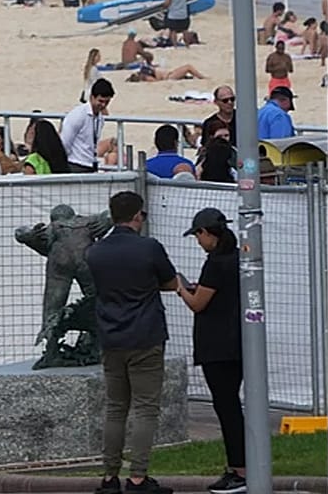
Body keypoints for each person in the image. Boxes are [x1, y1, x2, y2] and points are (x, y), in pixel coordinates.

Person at [85, 191, 178, 494]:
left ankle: (109, 476)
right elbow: (170, 280)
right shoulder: (148, 248)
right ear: (137, 215)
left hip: (111, 338)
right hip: (146, 336)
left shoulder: (95, 252)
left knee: (115, 408)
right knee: (146, 409)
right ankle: (137, 477)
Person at [174, 208, 246, 494]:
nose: (198, 241)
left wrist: (181, 288)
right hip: (238, 343)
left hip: (217, 346)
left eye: (198, 236)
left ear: (206, 233)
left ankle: (240, 469)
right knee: (231, 406)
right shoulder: (238, 256)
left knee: (226, 407)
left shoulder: (215, 264)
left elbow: (198, 303)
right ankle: (237, 466)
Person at [62, 78, 114, 172]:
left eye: (106, 102)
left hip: (90, 163)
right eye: (100, 101)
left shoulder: (100, 118)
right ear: (92, 97)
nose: (103, 105)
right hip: (75, 163)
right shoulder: (78, 115)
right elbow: (65, 142)